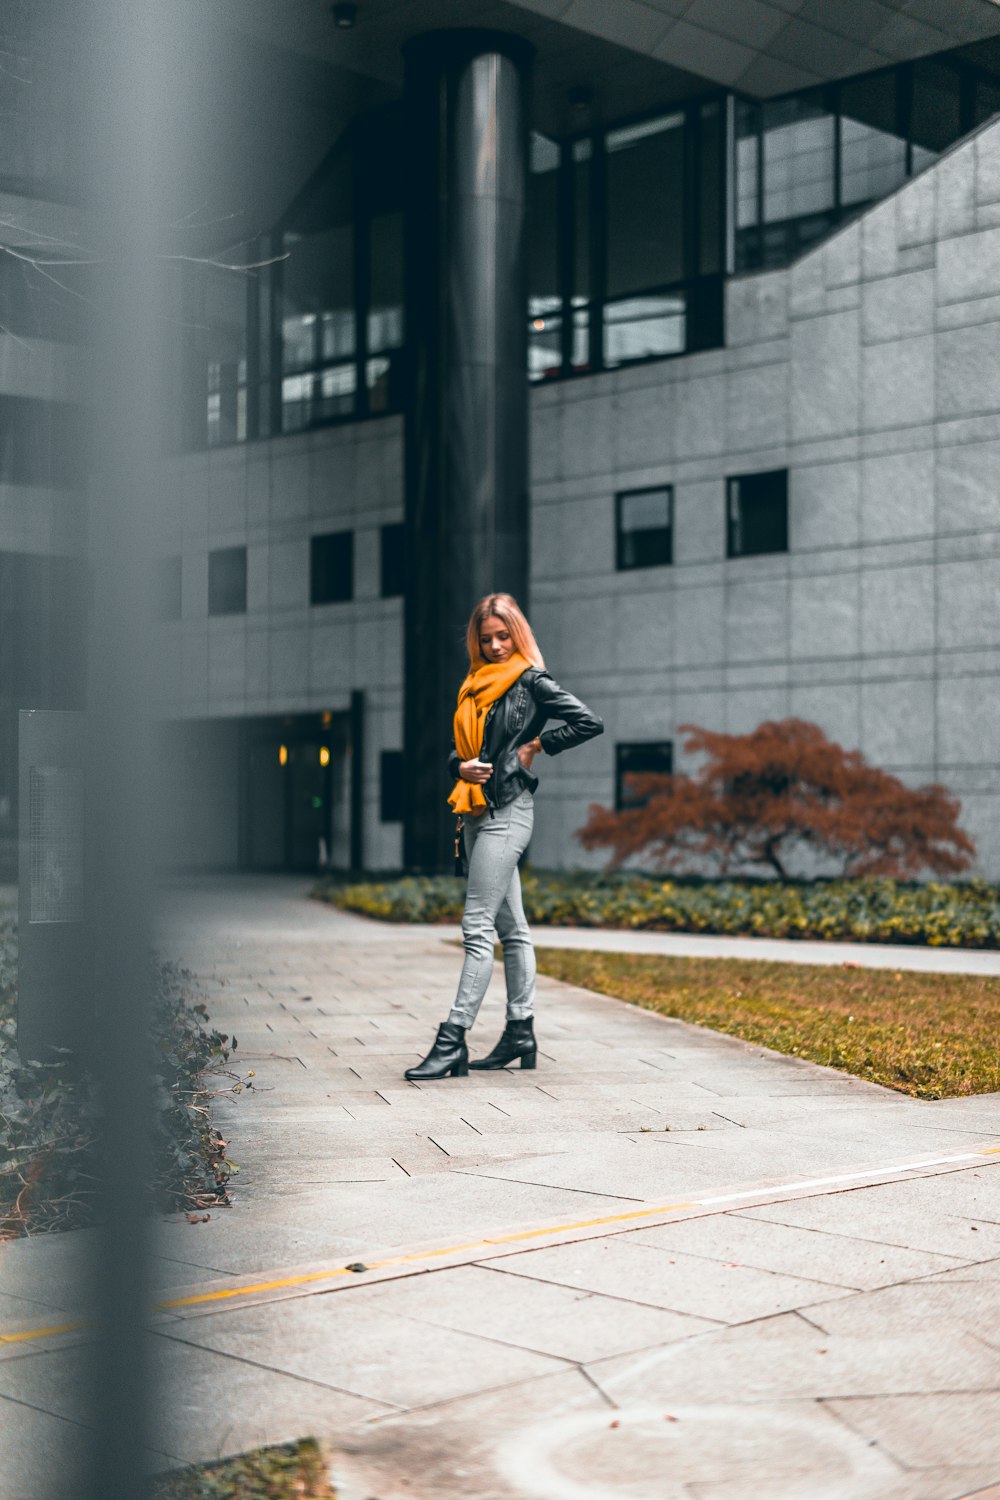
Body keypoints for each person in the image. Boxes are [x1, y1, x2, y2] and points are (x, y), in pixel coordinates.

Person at [405, 592, 603, 1081]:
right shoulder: (473, 684)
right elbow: (458, 748)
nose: (495, 646)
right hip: (474, 811)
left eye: (503, 636)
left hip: (508, 811)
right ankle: (520, 1031)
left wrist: (536, 745)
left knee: (476, 929)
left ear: (518, 634)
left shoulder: (530, 681)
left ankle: (453, 1039)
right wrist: (459, 765)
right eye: (486, 638)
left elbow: (587, 722)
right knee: (512, 930)